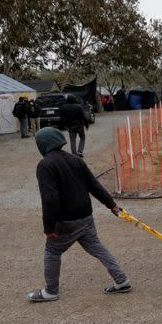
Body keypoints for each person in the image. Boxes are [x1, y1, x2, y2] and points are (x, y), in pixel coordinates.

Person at [28, 127, 130, 302]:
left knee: (52, 251)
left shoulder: (45, 165)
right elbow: (94, 185)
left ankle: (50, 291)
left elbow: (50, 198)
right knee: (97, 247)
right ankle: (121, 280)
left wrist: (49, 227)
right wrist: (111, 205)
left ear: (42, 145)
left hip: (66, 221)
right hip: (85, 216)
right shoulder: (75, 160)